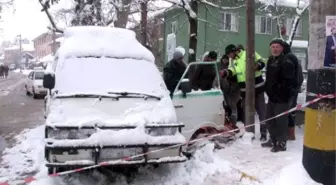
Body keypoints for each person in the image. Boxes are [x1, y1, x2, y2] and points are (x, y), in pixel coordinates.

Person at [220, 44, 267, 141]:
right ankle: (249, 133)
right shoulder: (232, 60)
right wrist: (226, 72)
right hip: (244, 89)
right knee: (247, 113)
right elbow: (232, 70)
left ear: (234, 51)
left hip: (256, 87)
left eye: (230, 54)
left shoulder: (248, 53)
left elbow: (262, 61)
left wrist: (258, 66)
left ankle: (263, 133)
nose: (229, 57)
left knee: (261, 111)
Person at [262, 38, 299, 152]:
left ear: (282, 48)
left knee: (281, 121)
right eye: (273, 47)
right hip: (272, 96)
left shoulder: (286, 62)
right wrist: (268, 89)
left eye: (277, 47)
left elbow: (289, 81)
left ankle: (281, 143)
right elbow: (269, 78)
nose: (275, 49)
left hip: (283, 97)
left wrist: (282, 93)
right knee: (269, 120)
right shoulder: (270, 60)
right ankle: (273, 140)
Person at [284, 42, 304, 141]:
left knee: (288, 110)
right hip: (293, 90)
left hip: (291, 91)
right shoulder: (293, 58)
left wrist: (293, 88)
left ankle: (290, 133)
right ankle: (290, 133)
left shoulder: (289, 59)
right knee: (291, 110)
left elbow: (298, 77)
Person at [219, 54, 240, 130]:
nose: (225, 61)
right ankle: (228, 123)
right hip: (224, 90)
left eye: (226, 59)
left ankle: (233, 123)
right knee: (226, 107)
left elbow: (235, 79)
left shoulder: (232, 68)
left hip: (233, 90)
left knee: (233, 107)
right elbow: (218, 79)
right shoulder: (220, 66)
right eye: (223, 59)